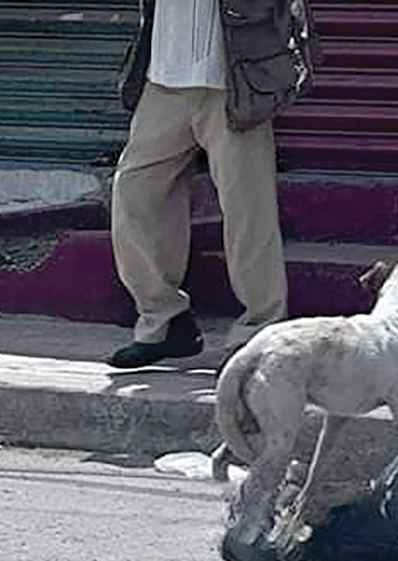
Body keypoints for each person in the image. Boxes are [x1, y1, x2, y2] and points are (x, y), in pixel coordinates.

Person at [107, 0, 313, 368]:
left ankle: (260, 330)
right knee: (134, 192)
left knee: (248, 207)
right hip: (164, 76)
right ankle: (165, 320)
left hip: (234, 79)